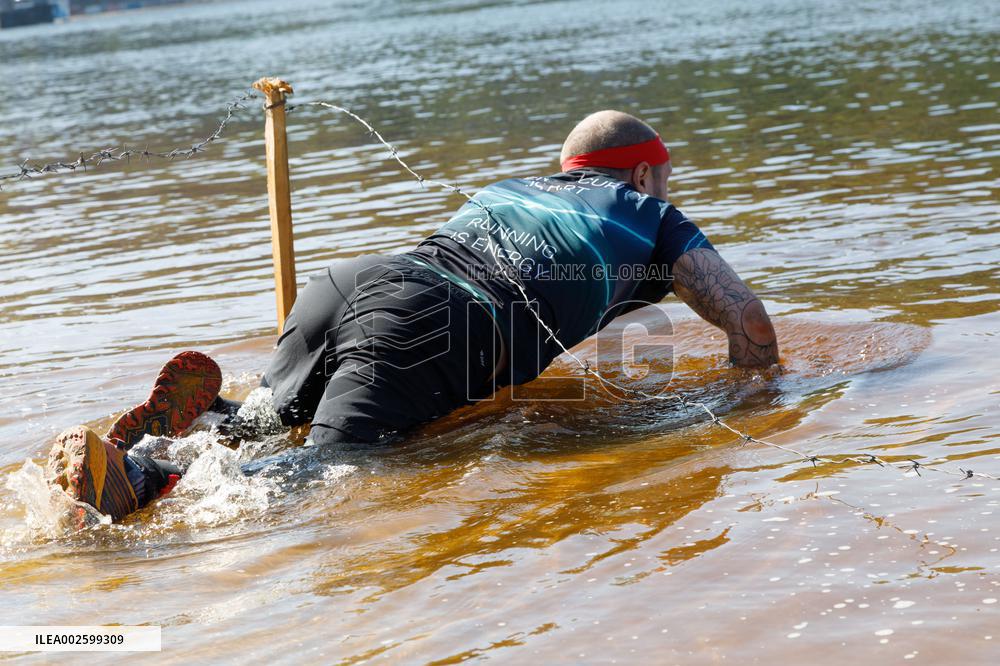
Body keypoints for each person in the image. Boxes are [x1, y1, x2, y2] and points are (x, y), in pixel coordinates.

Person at [46, 110, 779, 525]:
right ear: (646, 173)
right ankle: (140, 482)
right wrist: (757, 400)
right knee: (327, 469)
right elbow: (749, 322)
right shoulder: (650, 213)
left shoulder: (510, 186)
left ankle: (205, 420)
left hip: (356, 278)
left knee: (271, 423)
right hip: (440, 319)